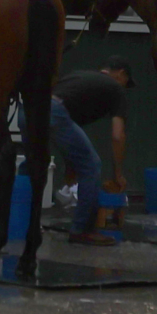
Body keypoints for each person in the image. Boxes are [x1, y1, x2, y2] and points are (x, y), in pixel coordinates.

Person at [49, 59, 133, 245]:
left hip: (31, 109)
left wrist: (71, 171)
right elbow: (118, 136)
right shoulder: (116, 88)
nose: (124, 88)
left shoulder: (79, 76)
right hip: (54, 111)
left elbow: (67, 134)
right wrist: (118, 174)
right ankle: (83, 230)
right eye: (126, 82)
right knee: (92, 165)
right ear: (120, 74)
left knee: (31, 163)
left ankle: (17, 220)